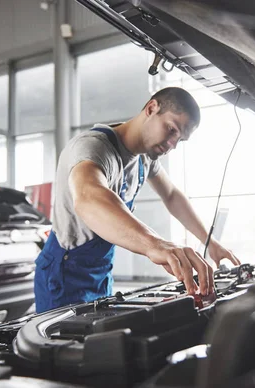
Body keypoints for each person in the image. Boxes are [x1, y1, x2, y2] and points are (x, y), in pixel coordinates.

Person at [34, 87, 240, 313]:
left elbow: (171, 195)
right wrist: (155, 244)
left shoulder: (144, 158)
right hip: (63, 274)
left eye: (180, 139)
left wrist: (210, 243)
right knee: (62, 347)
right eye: (171, 129)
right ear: (151, 108)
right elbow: (88, 198)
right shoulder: (93, 147)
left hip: (101, 272)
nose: (172, 144)